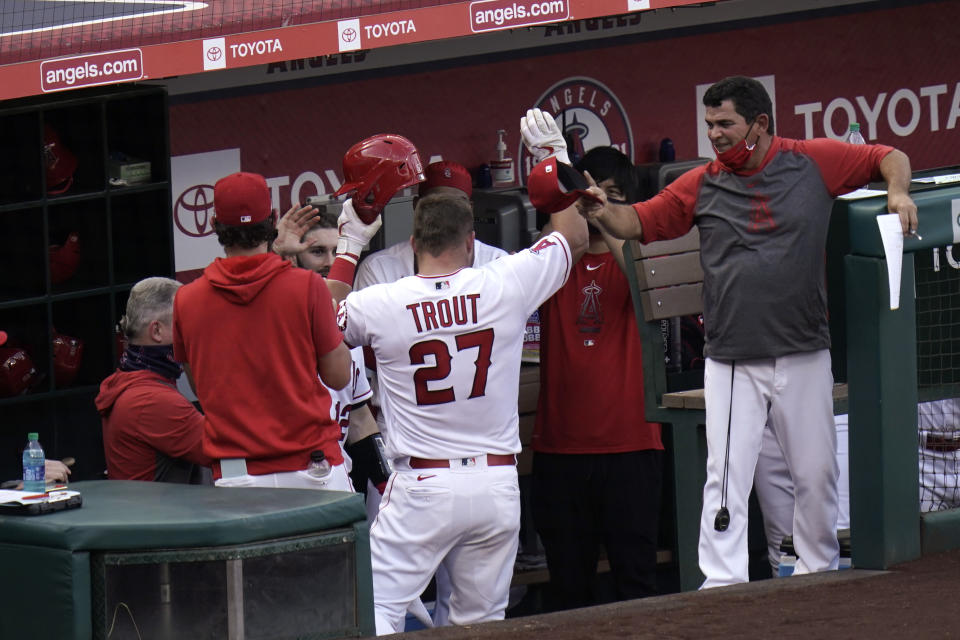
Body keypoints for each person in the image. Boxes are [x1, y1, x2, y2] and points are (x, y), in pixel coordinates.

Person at [578, 76, 917, 588]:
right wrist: (601, 210)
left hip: (803, 348)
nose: (713, 134)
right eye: (709, 124)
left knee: (816, 472)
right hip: (734, 357)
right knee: (726, 477)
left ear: (759, 123)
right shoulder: (702, 181)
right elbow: (635, 223)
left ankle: (816, 571)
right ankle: (722, 583)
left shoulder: (812, 159)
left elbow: (889, 155)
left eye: (724, 124)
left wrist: (897, 194)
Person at [337, 189, 588, 634]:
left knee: (370, 606)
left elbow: (314, 318)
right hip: (496, 484)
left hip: (423, 485)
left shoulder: (382, 301)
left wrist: (350, 243)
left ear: (413, 244)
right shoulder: (502, 282)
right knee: (480, 625)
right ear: (470, 242)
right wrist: (553, 162)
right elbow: (574, 236)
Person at [172, 171, 376, 490]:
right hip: (312, 468)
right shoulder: (307, 287)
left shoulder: (186, 299)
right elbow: (338, 376)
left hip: (238, 474)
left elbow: (200, 387)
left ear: (214, 225)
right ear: (273, 219)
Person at [529, 145, 664, 609]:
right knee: (569, 591)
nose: (597, 203)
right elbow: (549, 244)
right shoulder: (551, 262)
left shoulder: (638, 258)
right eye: (590, 193)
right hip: (560, 451)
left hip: (630, 448)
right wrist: (566, 187)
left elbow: (648, 287)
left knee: (636, 583)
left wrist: (605, 215)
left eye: (612, 195)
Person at [96, 277, 212, 483]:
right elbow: (232, 448)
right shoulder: (151, 400)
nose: (192, 333)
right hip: (166, 514)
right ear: (157, 331)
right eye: (184, 323)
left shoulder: (128, 380)